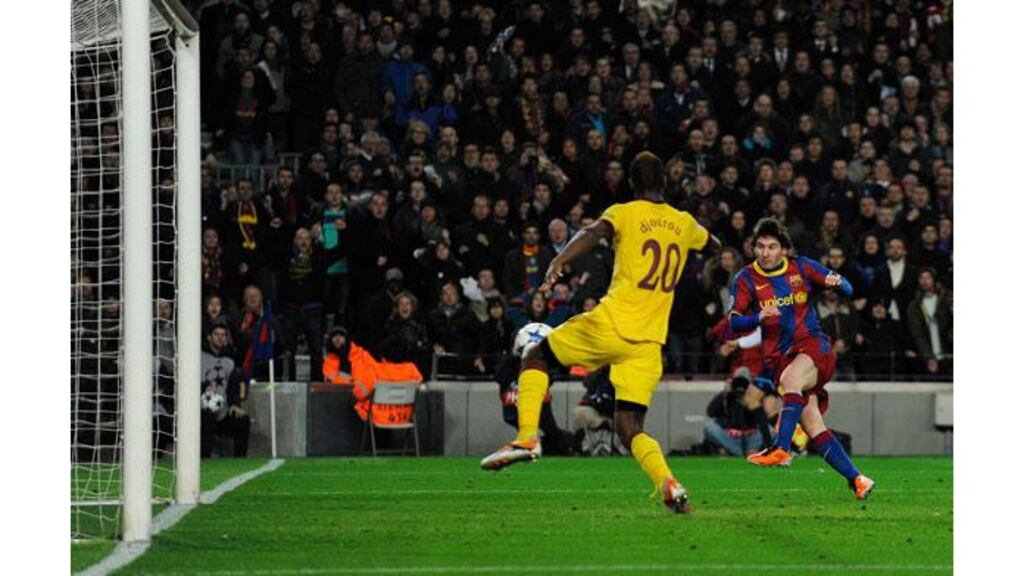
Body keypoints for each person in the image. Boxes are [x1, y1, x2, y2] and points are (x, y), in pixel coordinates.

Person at [481, 152, 721, 514]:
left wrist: (560, 259)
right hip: (649, 344)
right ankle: (668, 484)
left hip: (612, 324)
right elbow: (715, 246)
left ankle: (528, 437)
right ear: (666, 184)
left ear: (631, 184)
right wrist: (705, 269)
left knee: (536, 356)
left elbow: (593, 232)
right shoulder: (684, 223)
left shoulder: (624, 212)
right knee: (629, 426)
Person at [729, 217, 874, 500]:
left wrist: (837, 282)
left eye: (772, 247)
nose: (765, 253)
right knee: (813, 427)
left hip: (814, 346)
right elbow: (734, 323)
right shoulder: (745, 278)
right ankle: (858, 479)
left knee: (790, 380)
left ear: (783, 249)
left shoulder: (801, 266)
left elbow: (848, 288)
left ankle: (780, 448)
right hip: (783, 357)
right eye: (760, 247)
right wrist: (757, 316)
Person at [200, 323, 251, 458]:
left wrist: (235, 405)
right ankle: (204, 458)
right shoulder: (198, 357)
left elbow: (233, 387)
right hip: (201, 412)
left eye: (223, 335)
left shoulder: (230, 361)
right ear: (209, 337)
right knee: (207, 415)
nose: (220, 338)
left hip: (223, 412)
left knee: (242, 419)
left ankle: (239, 460)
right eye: (217, 335)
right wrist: (204, 387)